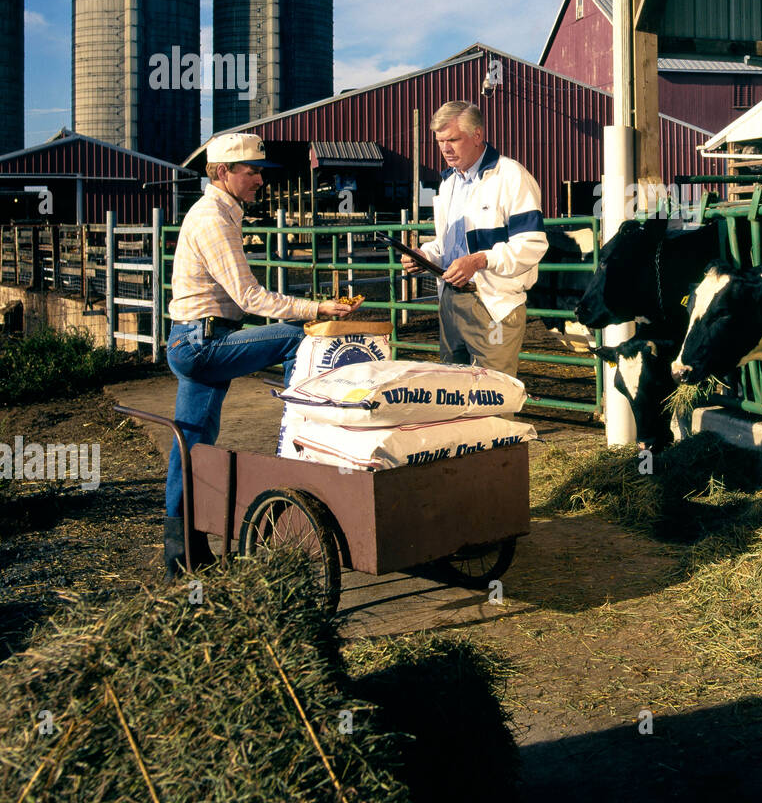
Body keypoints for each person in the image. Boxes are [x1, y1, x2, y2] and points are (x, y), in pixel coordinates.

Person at [163, 132, 357, 576]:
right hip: (203, 343)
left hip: (194, 338)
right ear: (222, 172)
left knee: (189, 441)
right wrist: (317, 308)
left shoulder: (221, 213)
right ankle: (301, 431)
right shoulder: (213, 217)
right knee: (293, 336)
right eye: (250, 171)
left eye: (259, 171)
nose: (259, 180)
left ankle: (182, 551)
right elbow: (250, 297)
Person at [402, 101, 547, 379]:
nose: (445, 148)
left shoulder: (511, 176)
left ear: (477, 135)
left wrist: (480, 260)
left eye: (453, 139)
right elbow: (448, 244)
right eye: (440, 141)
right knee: (451, 393)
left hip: (493, 304)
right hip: (451, 300)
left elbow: (531, 243)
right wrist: (426, 255)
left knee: (492, 394)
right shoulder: (449, 183)